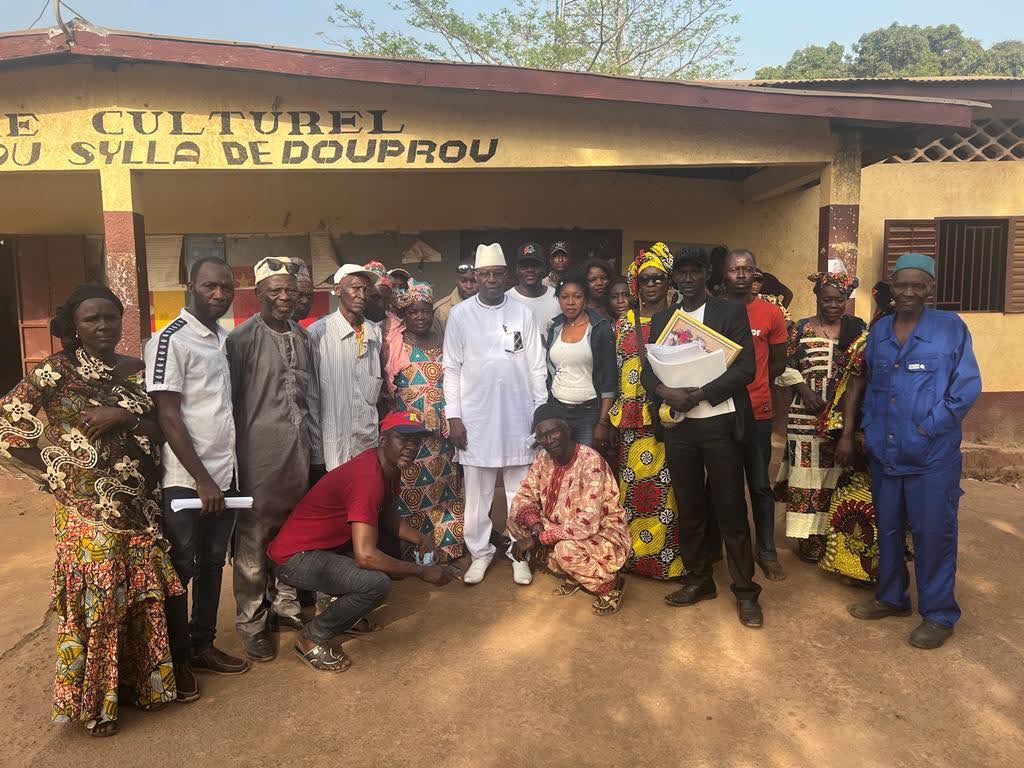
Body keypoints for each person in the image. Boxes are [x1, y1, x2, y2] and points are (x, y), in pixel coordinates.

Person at [0, 285, 180, 736]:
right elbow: (8, 431)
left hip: (140, 508)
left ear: (122, 321)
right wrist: (57, 473)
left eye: (110, 318)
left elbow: (161, 430)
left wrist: (122, 417)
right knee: (98, 606)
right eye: (91, 319)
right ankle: (99, 704)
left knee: (139, 602)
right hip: (88, 514)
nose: (103, 326)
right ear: (74, 327)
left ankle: (145, 688)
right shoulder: (52, 374)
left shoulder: (135, 369)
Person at [848, 253, 981, 650]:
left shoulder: (950, 328)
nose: (908, 292)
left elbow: (966, 388)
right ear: (891, 284)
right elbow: (872, 387)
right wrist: (869, 430)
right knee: (887, 530)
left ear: (929, 289)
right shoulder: (880, 331)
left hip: (932, 458)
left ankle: (939, 614)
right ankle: (892, 598)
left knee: (933, 533)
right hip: (886, 453)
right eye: (901, 284)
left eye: (917, 285)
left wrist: (928, 427)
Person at [267, 411, 453, 672]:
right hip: (295, 559)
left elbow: (389, 518)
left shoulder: (387, 468)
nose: (411, 447)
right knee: (375, 583)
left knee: (391, 549)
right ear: (383, 439)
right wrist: (422, 571)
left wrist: (422, 539)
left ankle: (342, 611)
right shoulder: (367, 478)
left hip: (321, 549)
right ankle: (313, 636)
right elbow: (366, 556)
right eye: (403, 438)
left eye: (416, 441)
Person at [642, 247, 763, 627]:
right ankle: (700, 580)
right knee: (689, 507)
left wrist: (698, 395)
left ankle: (745, 592)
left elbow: (745, 368)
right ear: (674, 277)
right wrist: (667, 393)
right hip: (680, 427)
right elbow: (649, 370)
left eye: (696, 272)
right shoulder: (663, 318)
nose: (689, 278)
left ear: (707, 275)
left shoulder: (729, 311)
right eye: (682, 272)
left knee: (730, 509)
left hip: (720, 425)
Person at [146, 257, 250, 694]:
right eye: (210, 286)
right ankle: (176, 659)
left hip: (223, 477)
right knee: (181, 567)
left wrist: (221, 480)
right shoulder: (170, 339)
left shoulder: (222, 340)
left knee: (211, 564)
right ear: (190, 285)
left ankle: (202, 643)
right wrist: (202, 480)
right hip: (187, 482)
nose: (219, 294)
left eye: (226, 288)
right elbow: (167, 416)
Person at [443, 243, 547, 586]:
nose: (490, 280)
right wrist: (454, 416)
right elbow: (452, 369)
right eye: (484, 274)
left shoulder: (522, 313)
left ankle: (519, 553)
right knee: (477, 495)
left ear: (506, 276)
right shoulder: (460, 315)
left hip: (519, 417)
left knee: (520, 492)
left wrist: (539, 412)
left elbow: (536, 367)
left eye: (497, 274)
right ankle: (480, 552)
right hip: (476, 420)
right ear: (475, 276)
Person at [226, 256, 314, 662]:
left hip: (296, 453)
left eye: (289, 290)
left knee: (290, 534)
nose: (283, 297)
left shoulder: (302, 337)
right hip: (256, 456)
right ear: (258, 293)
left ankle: (285, 604)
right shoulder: (240, 339)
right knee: (253, 540)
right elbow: (232, 404)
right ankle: (252, 621)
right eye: (275, 290)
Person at [509, 403, 632, 615]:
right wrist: (537, 527)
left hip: (601, 533)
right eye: (541, 436)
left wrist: (538, 539)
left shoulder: (590, 461)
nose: (548, 441)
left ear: (567, 429)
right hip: (562, 528)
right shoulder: (543, 458)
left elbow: (587, 524)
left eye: (553, 432)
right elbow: (524, 495)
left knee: (564, 551)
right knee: (516, 520)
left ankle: (612, 585)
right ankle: (576, 575)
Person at [777, 272, 866, 563]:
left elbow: (861, 372)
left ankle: (832, 535)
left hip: (842, 417)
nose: (832, 305)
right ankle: (809, 539)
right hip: (804, 416)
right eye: (826, 299)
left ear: (846, 300)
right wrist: (804, 390)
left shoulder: (857, 329)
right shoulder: (799, 329)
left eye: (839, 300)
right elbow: (784, 366)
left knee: (835, 474)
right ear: (817, 297)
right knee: (806, 475)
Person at [608, 243, 683, 580]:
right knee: (633, 492)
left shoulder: (679, 322)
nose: (651, 285)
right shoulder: (622, 324)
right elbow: (611, 372)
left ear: (668, 283)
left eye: (658, 279)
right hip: (631, 421)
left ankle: (667, 563)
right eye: (646, 279)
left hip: (667, 420)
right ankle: (635, 559)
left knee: (667, 495)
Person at [385, 280, 465, 561]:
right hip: (410, 437)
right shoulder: (396, 344)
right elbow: (388, 390)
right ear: (405, 315)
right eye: (414, 312)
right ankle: (415, 550)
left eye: (426, 311)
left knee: (445, 490)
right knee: (410, 490)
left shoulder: (443, 340)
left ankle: (446, 549)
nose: (420, 317)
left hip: (443, 435)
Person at [723, 249, 788, 581]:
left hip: (758, 410)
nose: (741, 274)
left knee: (760, 485)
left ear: (755, 274)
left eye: (747, 269)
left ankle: (766, 551)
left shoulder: (770, 313)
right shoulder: (713, 311)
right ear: (725, 275)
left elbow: (778, 360)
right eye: (734, 270)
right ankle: (729, 552)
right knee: (726, 486)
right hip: (720, 410)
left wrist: (758, 380)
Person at [306, 263, 382, 475]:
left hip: (367, 444)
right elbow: (311, 399)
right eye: (355, 288)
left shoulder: (375, 333)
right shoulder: (318, 334)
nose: (361, 295)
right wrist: (317, 454)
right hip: (333, 449)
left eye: (366, 290)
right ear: (338, 290)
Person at [545, 275, 616, 450]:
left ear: (585, 299)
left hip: (589, 412)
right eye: (564, 297)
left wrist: (603, 422)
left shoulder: (600, 327)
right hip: (557, 409)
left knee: (586, 468)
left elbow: (609, 379)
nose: (570, 302)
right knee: (560, 468)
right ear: (558, 299)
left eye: (577, 296)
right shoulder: (554, 326)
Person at [507, 242, 560, 339]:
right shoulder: (506, 299)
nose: (530, 270)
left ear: (544, 268)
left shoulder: (558, 297)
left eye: (535, 265)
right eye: (524, 266)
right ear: (517, 269)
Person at [433, 260, 478, 333]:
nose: (469, 286)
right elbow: (437, 343)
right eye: (463, 281)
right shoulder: (442, 311)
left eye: (474, 281)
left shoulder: (489, 306)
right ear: (456, 281)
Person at [292, 261, 317, 328]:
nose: (305, 301)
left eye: (309, 296)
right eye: (299, 295)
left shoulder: (303, 333)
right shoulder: (262, 331)